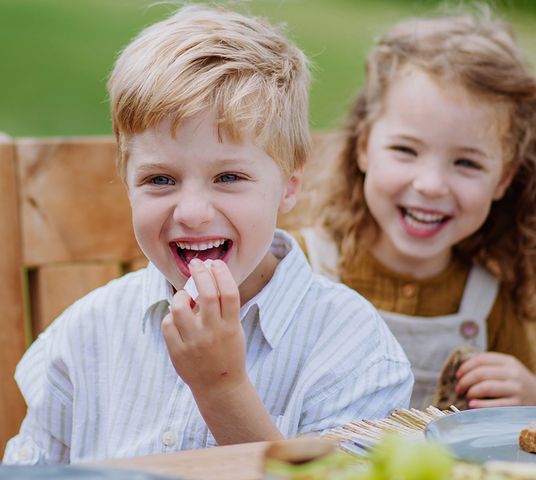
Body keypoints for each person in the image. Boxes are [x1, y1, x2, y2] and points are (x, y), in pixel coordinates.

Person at [3, 4, 412, 465]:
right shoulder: (85, 335)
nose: (193, 213)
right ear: (126, 181)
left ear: (289, 186)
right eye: (160, 179)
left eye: (229, 177)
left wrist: (222, 388)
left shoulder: (350, 348)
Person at [295, 6, 536, 410]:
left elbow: (520, 444)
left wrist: (535, 403)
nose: (431, 185)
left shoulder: (493, 305)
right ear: (364, 146)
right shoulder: (301, 267)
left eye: (467, 163)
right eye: (406, 150)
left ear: (504, 179)